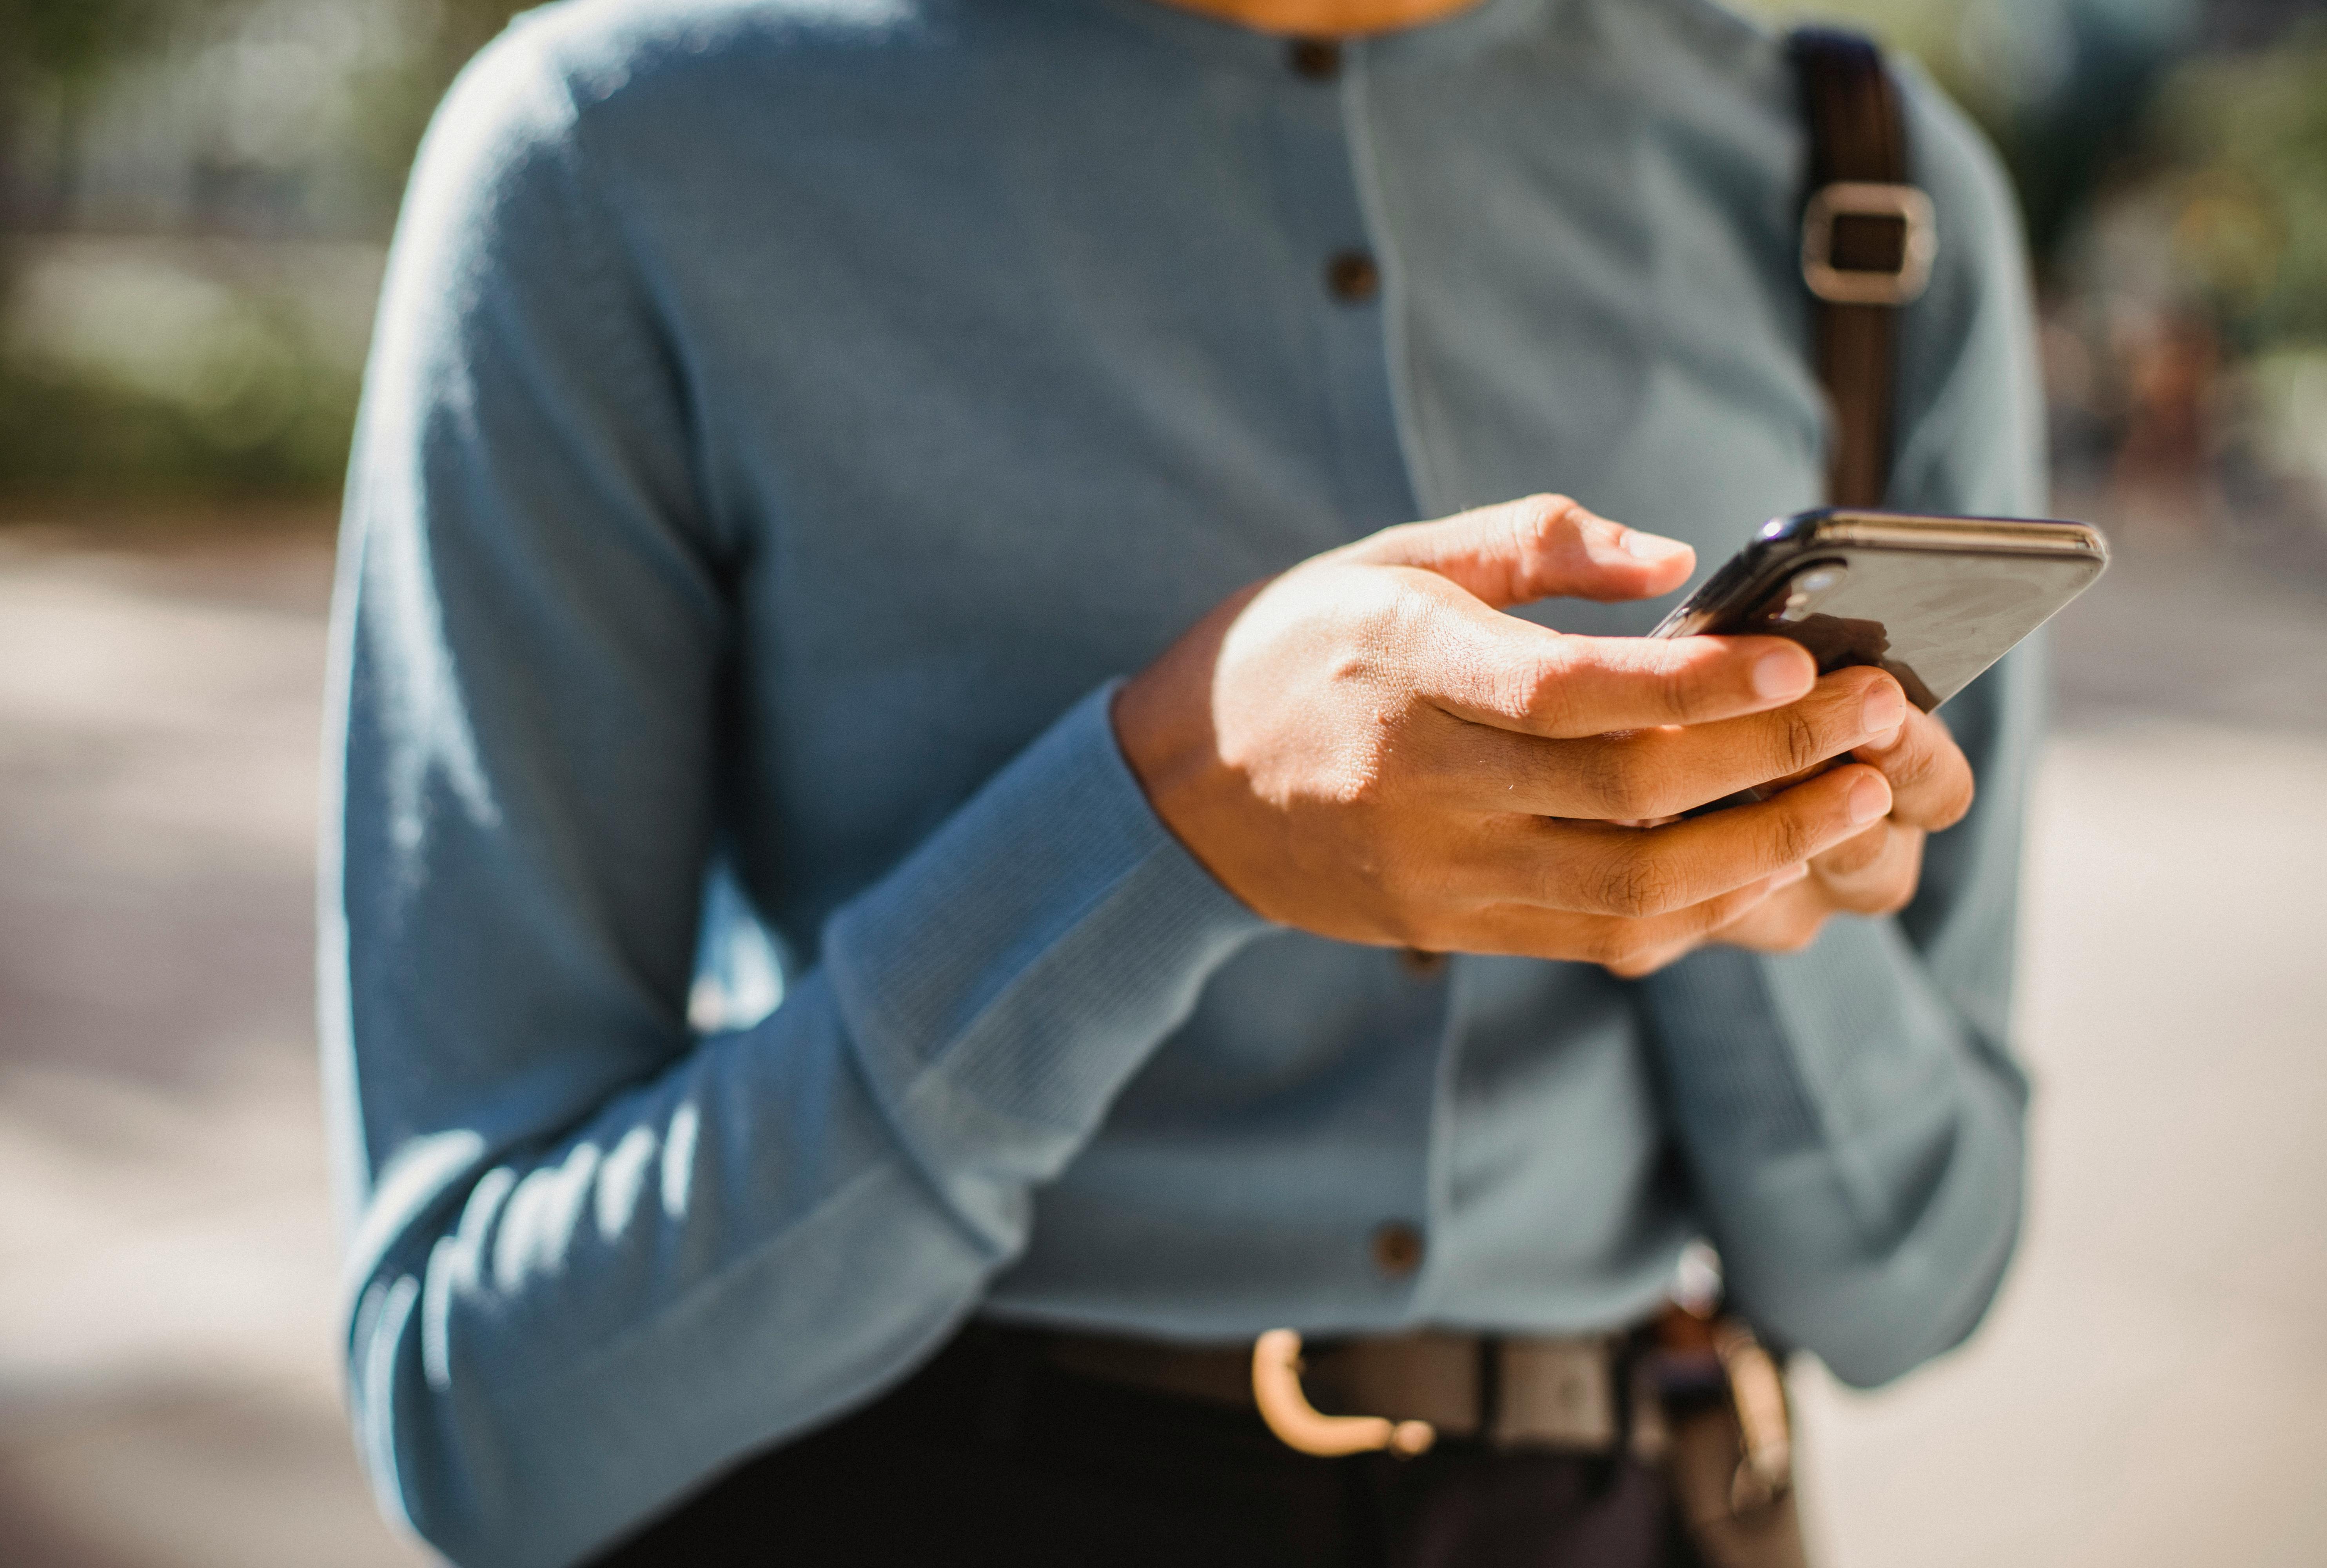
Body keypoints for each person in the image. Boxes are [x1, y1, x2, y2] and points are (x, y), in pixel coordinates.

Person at [321, 0, 2045, 1563]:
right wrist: (1166, 817)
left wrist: (1721, 851)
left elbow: (1916, 1280)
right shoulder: (617, 150)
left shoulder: (1864, 186)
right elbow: (488, 1418)